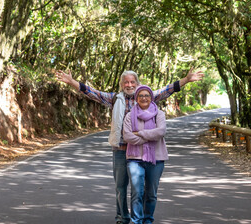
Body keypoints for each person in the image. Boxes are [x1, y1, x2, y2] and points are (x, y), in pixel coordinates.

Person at [56, 68, 203, 224]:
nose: (129, 84)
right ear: (121, 84)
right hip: (121, 149)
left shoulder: (146, 96)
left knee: (139, 189)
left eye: (132, 81)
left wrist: (186, 79)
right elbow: (93, 93)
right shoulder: (115, 98)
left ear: (137, 83)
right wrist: (72, 82)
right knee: (120, 187)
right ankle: (122, 218)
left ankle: (140, 218)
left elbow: (167, 90)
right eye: (126, 82)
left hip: (140, 151)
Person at [122, 85, 167, 224]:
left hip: (156, 159)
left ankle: (148, 220)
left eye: (147, 95)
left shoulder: (159, 114)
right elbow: (127, 137)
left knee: (151, 194)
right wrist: (150, 136)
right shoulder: (130, 115)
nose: (144, 98)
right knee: (137, 193)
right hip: (135, 159)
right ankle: (136, 221)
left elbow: (160, 132)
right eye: (140, 95)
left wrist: (139, 134)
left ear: (151, 97)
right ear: (136, 98)